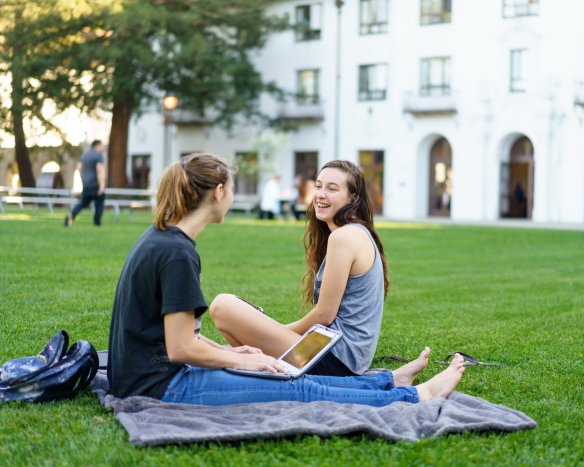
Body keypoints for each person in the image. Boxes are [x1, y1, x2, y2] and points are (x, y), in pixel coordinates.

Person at [107, 153, 465, 406]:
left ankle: (391, 384)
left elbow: (182, 343)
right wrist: (239, 360)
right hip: (162, 385)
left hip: (154, 378)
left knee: (288, 380)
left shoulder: (163, 240)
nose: (321, 195)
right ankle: (416, 395)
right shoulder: (177, 252)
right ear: (218, 193)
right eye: (231, 189)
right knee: (296, 389)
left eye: (332, 188)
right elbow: (182, 347)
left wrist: (235, 352)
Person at [209, 161, 388, 377]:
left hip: (336, 359)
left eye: (332, 189)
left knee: (223, 306)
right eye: (319, 186)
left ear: (353, 198)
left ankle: (275, 372)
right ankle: (265, 370)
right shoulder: (351, 233)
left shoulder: (345, 237)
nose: (321, 194)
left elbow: (324, 315)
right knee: (243, 338)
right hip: (333, 352)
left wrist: (279, 331)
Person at [65, 140, 106, 227]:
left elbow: (79, 168)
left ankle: (70, 216)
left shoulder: (84, 155)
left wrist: (84, 179)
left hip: (86, 185)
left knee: (82, 203)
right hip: (95, 184)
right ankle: (97, 223)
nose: (103, 148)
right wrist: (102, 186)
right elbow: (100, 170)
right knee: (99, 203)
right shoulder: (98, 155)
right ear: (97, 146)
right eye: (102, 146)